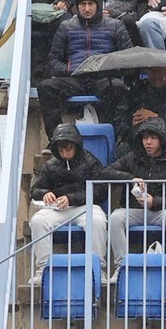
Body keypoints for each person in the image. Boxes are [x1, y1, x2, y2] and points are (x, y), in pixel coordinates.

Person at [40, 0, 132, 136]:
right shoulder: (66, 26)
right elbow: (52, 61)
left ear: (98, 5)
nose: (87, 8)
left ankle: (118, 138)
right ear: (77, 6)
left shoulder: (116, 25)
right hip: (75, 79)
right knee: (46, 87)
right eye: (82, 4)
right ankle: (57, 138)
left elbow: (128, 59)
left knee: (119, 88)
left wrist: (107, 69)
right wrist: (70, 69)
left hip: (103, 80)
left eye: (90, 4)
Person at [28, 122, 109, 286]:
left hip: (86, 206)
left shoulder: (91, 162)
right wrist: (45, 193)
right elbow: (35, 189)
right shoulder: (50, 165)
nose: (65, 154)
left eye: (68, 149)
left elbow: (100, 192)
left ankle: (97, 267)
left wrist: (71, 198)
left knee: (98, 221)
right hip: (57, 208)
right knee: (37, 221)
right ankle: (44, 268)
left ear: (76, 145)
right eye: (61, 150)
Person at [104, 117, 166, 280]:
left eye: (153, 137)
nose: (148, 142)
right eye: (145, 137)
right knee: (115, 218)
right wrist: (130, 178)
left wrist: (155, 201)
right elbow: (105, 172)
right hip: (135, 210)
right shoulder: (132, 157)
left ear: (162, 140)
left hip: (163, 211)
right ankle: (122, 266)